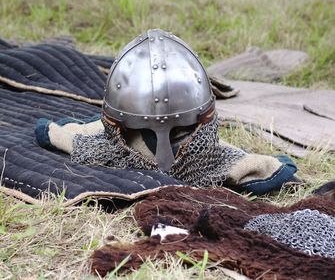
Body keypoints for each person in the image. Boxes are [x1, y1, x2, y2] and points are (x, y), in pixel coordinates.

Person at [37, 29, 297, 194]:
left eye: (178, 129)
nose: (164, 162)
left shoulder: (225, 161)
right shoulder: (100, 144)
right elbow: (66, 135)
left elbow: (56, 133)